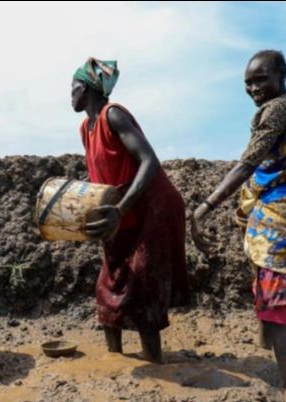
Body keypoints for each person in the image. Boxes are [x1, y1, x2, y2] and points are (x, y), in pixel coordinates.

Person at [191, 50, 286, 387]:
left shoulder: (280, 110)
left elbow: (248, 162)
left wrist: (206, 206)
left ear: (282, 75)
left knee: (276, 301)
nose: (253, 88)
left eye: (261, 79)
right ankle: (268, 348)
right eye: (248, 83)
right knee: (266, 282)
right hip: (284, 207)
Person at [72, 58, 190, 363]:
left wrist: (120, 211)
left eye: (73, 87)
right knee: (109, 283)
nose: (69, 94)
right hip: (122, 209)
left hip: (153, 207)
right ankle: (117, 361)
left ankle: (155, 363)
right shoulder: (87, 127)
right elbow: (102, 176)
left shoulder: (114, 115)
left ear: (85, 88)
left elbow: (150, 162)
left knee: (142, 286)